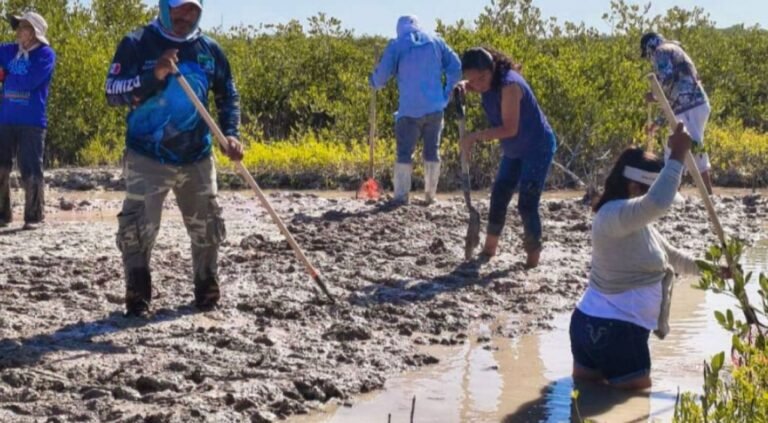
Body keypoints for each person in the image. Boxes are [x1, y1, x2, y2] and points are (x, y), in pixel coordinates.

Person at [106, 0, 244, 316]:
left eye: (192, 9)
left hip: (197, 157)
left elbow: (228, 94)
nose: (185, 16)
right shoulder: (137, 42)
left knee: (208, 226)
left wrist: (231, 134)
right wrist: (154, 74)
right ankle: (138, 298)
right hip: (146, 157)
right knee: (138, 228)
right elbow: (112, 92)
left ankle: (207, 294)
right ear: (165, 7)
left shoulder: (210, 49)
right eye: (179, 9)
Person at [569, 125, 708, 390]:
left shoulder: (635, 224)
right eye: (646, 191)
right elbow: (657, 202)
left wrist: (717, 270)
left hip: (590, 326)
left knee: (586, 400)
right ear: (633, 186)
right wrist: (678, 154)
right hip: (619, 332)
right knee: (635, 406)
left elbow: (675, 258)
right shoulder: (613, 215)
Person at [458, 47, 557, 268]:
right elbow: (476, 85)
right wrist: (465, 86)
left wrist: (474, 137)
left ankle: (532, 259)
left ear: (492, 68)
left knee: (527, 204)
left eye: (482, 78)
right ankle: (489, 249)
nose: (478, 85)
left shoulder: (510, 85)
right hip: (514, 150)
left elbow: (509, 129)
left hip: (537, 147)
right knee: (499, 195)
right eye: (472, 80)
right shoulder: (483, 83)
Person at [369, 15, 461, 205]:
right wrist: (447, 93)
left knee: (404, 153)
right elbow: (456, 66)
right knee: (432, 151)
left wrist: (374, 80)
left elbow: (381, 79)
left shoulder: (396, 45)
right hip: (435, 108)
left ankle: (401, 197)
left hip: (409, 111)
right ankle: (430, 196)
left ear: (399, 29)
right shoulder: (436, 41)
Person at [0, 12, 56, 230]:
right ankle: (2, 215)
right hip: (5, 118)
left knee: (31, 169)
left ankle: (34, 216)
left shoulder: (46, 55)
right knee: (1, 167)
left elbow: (29, 81)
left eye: (23, 27)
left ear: (34, 33)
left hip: (32, 121)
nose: (18, 31)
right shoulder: (9, 50)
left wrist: (6, 76)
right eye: (19, 26)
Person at [641, 32, 713, 195]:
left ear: (650, 46)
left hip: (688, 108)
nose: (649, 58)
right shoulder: (675, 49)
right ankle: (679, 193)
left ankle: (695, 194)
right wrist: (657, 123)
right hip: (696, 105)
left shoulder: (661, 51)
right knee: (682, 147)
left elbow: (667, 84)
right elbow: (673, 91)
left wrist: (654, 96)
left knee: (685, 148)